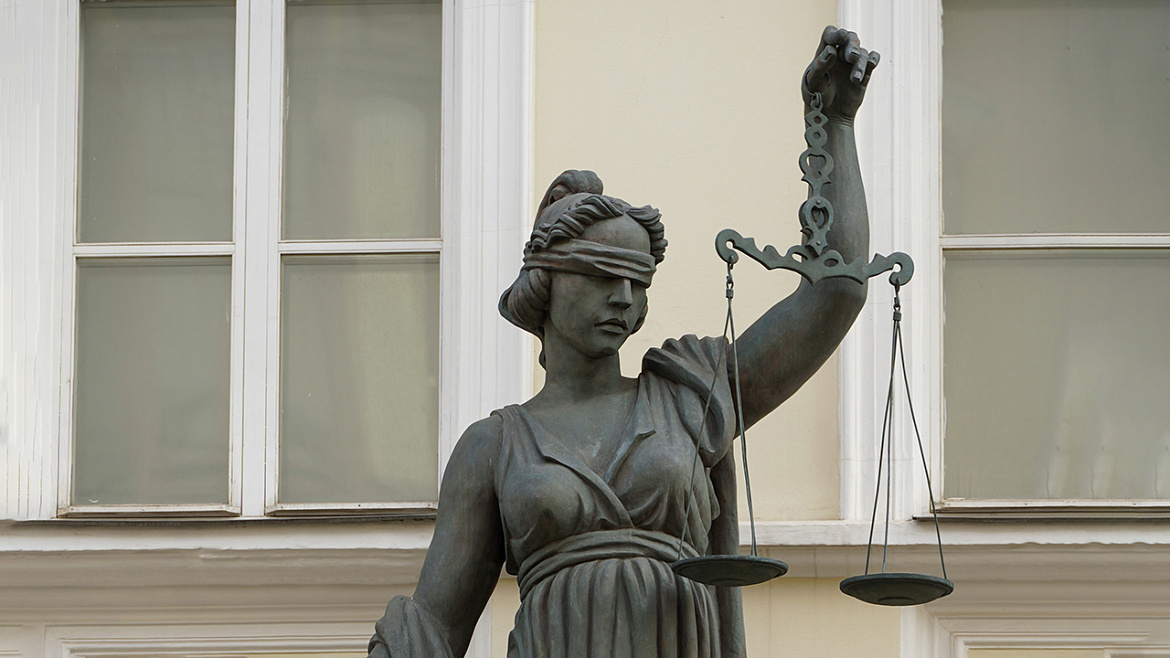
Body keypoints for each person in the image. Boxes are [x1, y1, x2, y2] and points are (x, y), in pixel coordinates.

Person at [369, 26, 879, 658]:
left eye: (637, 283)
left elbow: (836, 295)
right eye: (602, 277)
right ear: (546, 282)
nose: (623, 298)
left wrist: (833, 125)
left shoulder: (687, 398)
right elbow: (435, 628)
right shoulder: (494, 447)